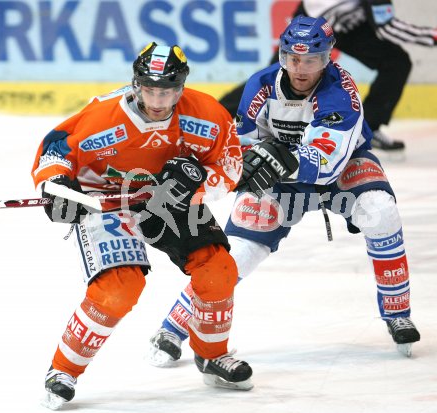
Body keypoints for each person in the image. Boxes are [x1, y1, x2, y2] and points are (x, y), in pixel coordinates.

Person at [147, 15, 421, 368]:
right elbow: (240, 142)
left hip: (341, 169)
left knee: (380, 212)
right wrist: (238, 164)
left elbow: (328, 161)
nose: (301, 69)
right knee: (240, 252)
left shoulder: (341, 93)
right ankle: (173, 327)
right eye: (293, 58)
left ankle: (397, 312)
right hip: (281, 175)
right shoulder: (261, 86)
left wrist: (276, 157)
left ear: (328, 59)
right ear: (282, 56)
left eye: (312, 60)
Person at [31, 42, 253, 410]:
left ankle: (212, 356)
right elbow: (55, 149)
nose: (157, 98)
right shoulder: (103, 117)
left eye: (166, 90)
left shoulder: (208, 115)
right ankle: (63, 371)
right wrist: (55, 186)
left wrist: (196, 184)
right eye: (149, 89)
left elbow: (229, 167)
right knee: (119, 287)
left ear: (180, 87)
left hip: (169, 201)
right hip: (109, 201)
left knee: (218, 270)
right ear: (135, 84)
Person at [219, 0, 437, 151]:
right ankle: (217, 112)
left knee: (396, 61)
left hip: (344, 18)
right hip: (319, 22)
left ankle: (365, 126)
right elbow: (386, 29)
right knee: (274, 77)